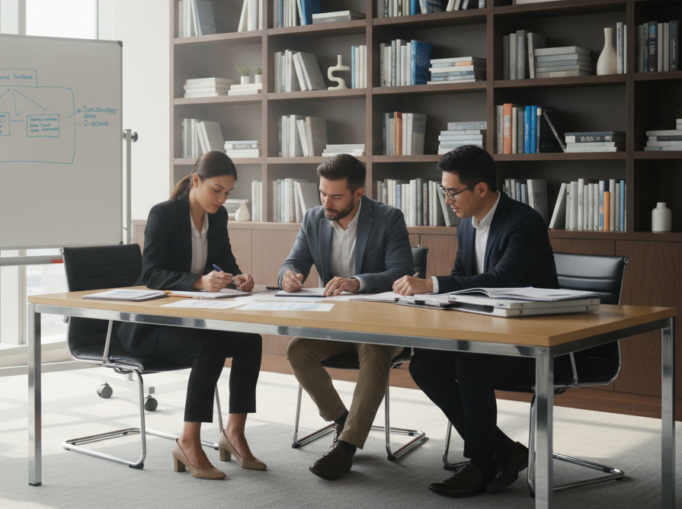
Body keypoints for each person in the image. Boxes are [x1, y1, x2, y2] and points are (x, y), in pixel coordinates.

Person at [392, 145, 559, 498]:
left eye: (452, 192)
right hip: (487, 335)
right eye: (444, 191)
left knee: (471, 365)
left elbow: (502, 280)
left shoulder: (524, 222)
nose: (448, 199)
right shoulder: (467, 226)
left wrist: (432, 284)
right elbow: (461, 279)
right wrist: (428, 299)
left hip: (532, 341)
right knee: (424, 364)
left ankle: (481, 462)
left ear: (481, 189)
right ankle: (505, 450)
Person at [277, 154, 414, 481]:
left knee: (374, 350)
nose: (327, 202)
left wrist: (358, 282)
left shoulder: (388, 218)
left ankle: (346, 447)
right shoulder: (313, 219)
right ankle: (343, 419)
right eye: (323, 193)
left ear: (358, 193)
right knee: (298, 351)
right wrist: (289, 276)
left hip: (382, 324)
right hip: (336, 324)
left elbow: (402, 270)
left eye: (336, 196)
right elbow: (292, 261)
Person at [130, 151, 264, 480]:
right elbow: (151, 274)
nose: (221, 199)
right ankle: (188, 440)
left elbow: (225, 262)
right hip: (152, 325)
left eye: (228, 193)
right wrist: (197, 281)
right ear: (195, 181)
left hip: (191, 319)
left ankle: (234, 433)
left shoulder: (216, 218)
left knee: (250, 341)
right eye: (216, 190)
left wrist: (239, 278)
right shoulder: (163, 214)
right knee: (210, 347)